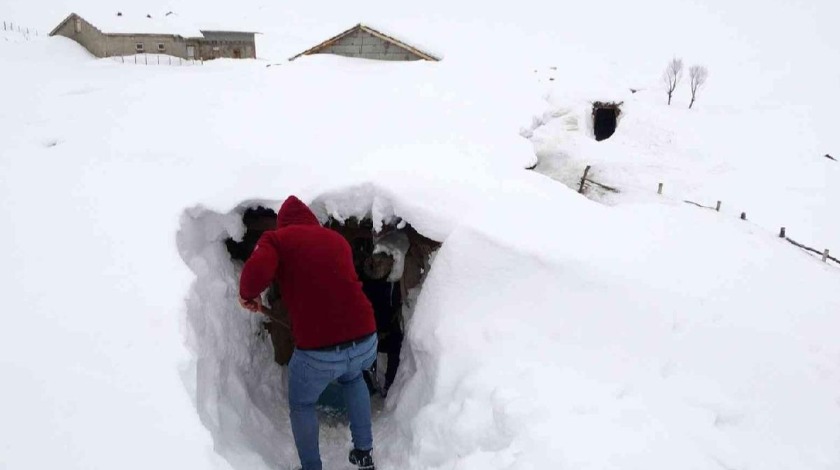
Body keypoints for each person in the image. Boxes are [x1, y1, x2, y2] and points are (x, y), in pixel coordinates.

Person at [238, 195, 378, 470]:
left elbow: (256, 271)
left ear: (282, 224)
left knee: (302, 404)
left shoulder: (277, 239)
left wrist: (248, 295)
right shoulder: (336, 240)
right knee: (353, 379)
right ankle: (364, 453)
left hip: (319, 353)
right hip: (365, 339)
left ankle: (311, 467)